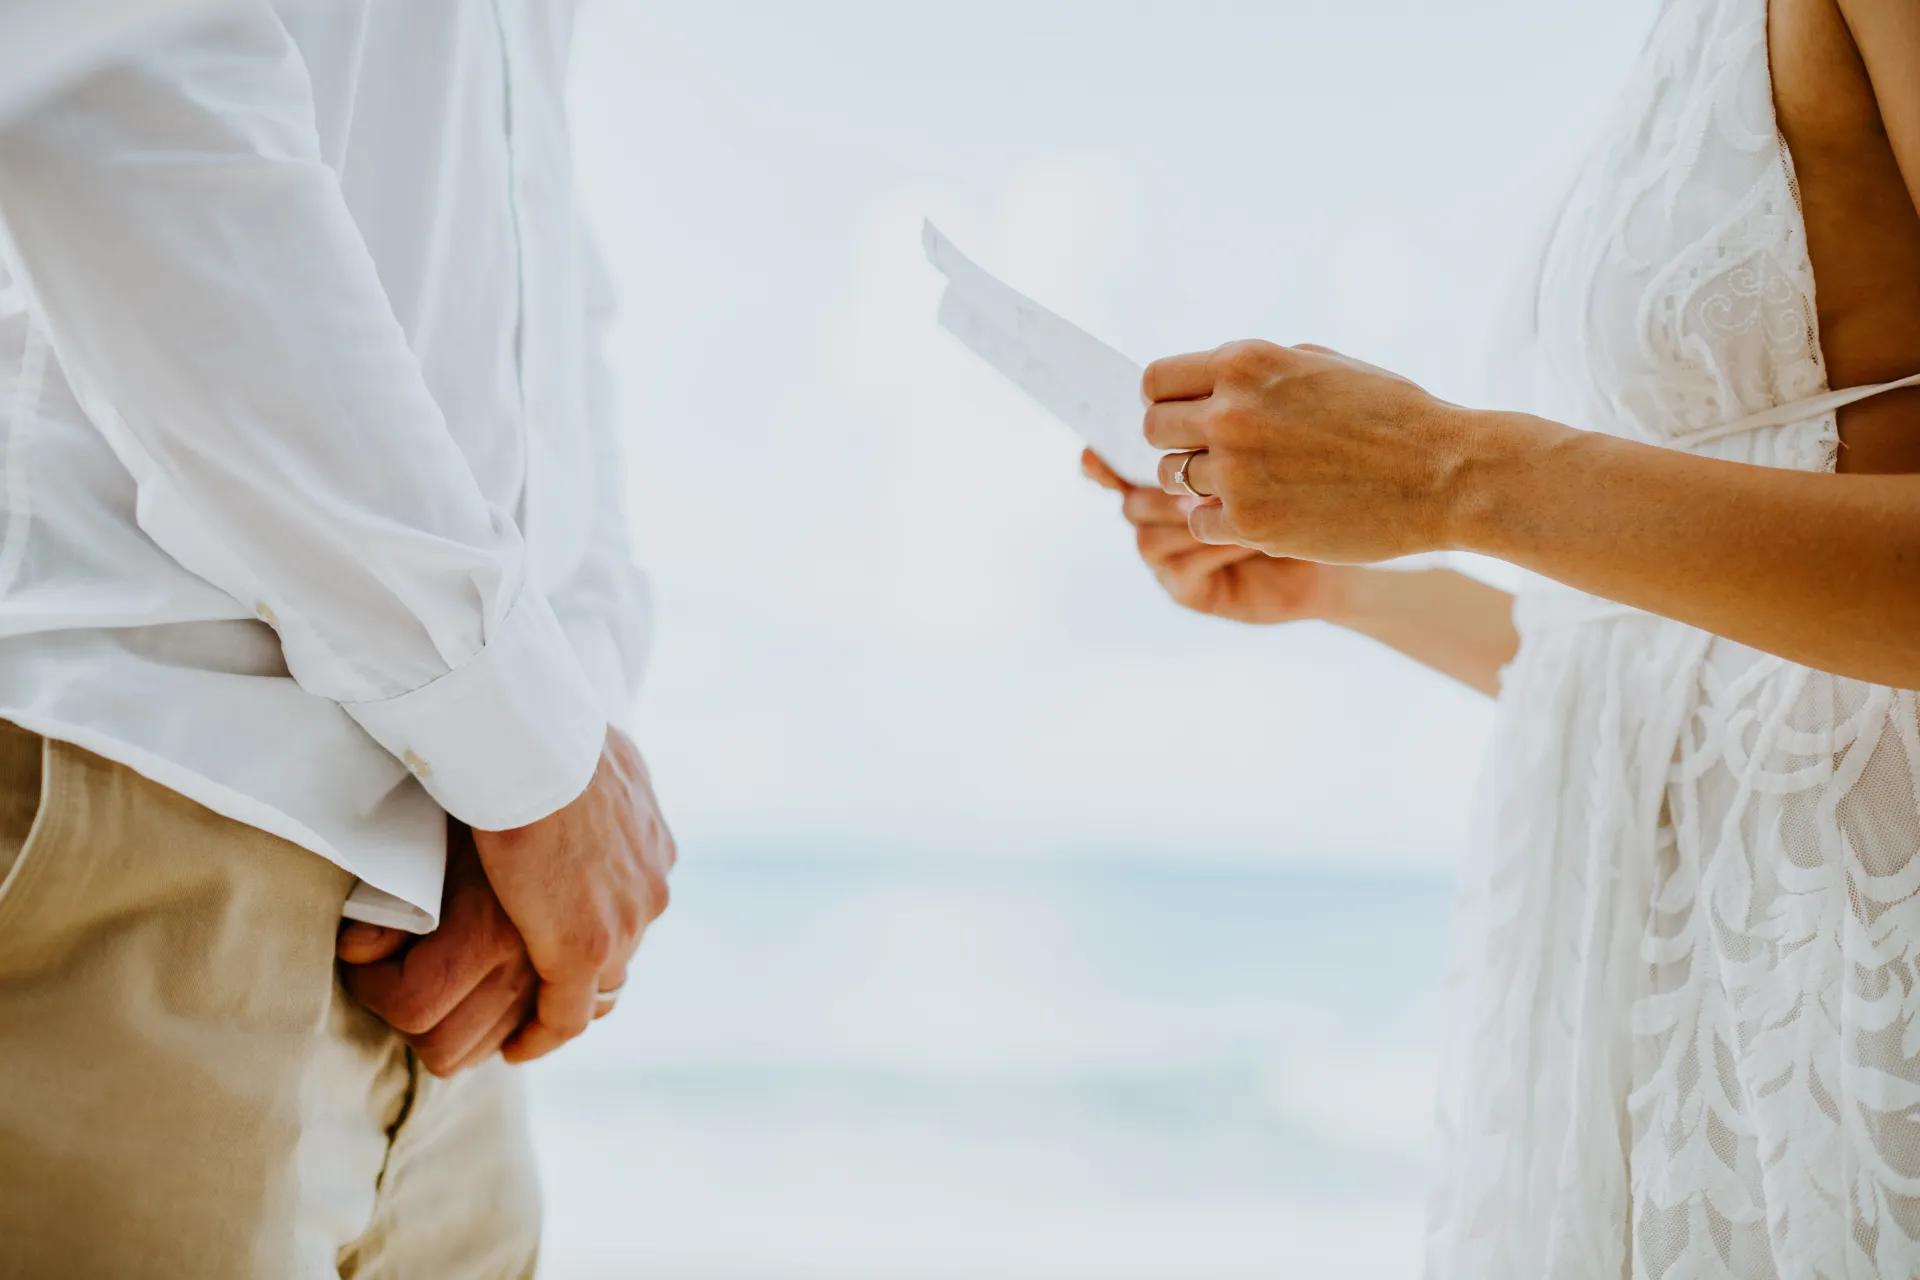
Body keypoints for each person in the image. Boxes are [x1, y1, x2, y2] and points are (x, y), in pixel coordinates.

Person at [1088, 0, 1920, 1273]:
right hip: (1654, 1045)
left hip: (1838, 1022)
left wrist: (1450, 472)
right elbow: (1665, 665)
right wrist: (1344, 584)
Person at [0, 3, 674, 1276]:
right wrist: (528, 748)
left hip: (462, 930)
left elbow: (532, 244)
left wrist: (552, 737)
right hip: (147, 791)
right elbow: (115, 95)